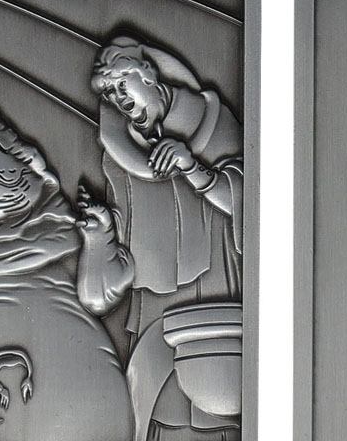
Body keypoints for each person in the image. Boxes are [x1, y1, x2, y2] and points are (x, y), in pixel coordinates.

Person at [91, 36, 244, 347]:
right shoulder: (120, 155)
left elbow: (247, 205)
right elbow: (122, 236)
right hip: (150, 302)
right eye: (111, 92)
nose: (120, 98)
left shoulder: (210, 119)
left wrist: (190, 166)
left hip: (212, 290)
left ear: (148, 73)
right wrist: (100, 232)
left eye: (123, 84)